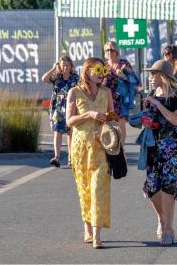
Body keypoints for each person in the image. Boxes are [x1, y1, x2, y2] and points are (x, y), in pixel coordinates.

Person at [141, 59, 177, 246]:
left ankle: (169, 228)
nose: (151, 77)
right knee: (152, 187)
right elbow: (151, 117)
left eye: (154, 74)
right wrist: (144, 120)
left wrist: (156, 103)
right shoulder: (153, 93)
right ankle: (161, 219)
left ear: (163, 76)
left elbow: (175, 119)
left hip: (171, 148)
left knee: (168, 188)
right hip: (153, 146)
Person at [66, 57, 114, 249]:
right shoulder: (74, 92)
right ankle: (87, 226)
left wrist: (109, 118)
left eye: (104, 71)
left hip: (101, 147)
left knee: (98, 189)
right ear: (87, 71)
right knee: (84, 189)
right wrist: (89, 114)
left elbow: (112, 116)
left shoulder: (107, 92)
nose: (102, 75)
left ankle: (97, 234)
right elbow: (69, 121)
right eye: (98, 70)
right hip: (80, 149)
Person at [42, 56, 79, 168]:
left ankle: (71, 158)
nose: (65, 67)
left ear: (71, 66)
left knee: (70, 133)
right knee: (57, 132)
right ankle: (57, 157)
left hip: (71, 108)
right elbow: (44, 79)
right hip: (58, 108)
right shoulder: (57, 77)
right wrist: (53, 68)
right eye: (63, 65)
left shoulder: (75, 78)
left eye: (67, 65)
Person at [103, 41, 136, 151]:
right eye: (107, 50)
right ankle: (111, 148)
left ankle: (121, 149)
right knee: (108, 125)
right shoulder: (104, 66)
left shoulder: (124, 63)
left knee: (121, 124)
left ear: (116, 51)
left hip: (121, 100)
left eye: (111, 50)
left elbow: (134, 80)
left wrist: (123, 76)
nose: (109, 52)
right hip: (107, 100)